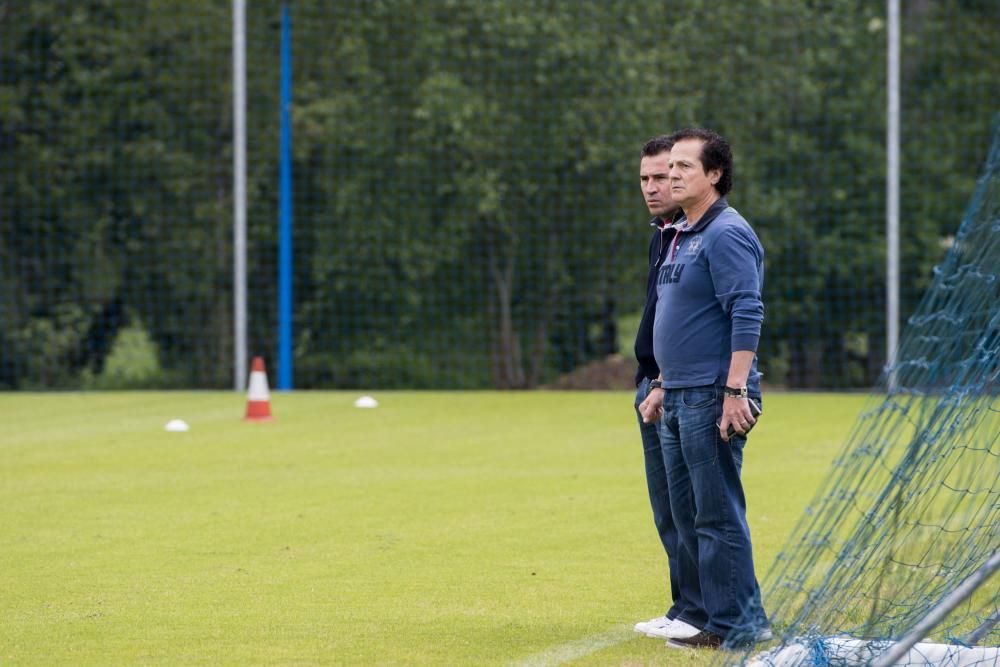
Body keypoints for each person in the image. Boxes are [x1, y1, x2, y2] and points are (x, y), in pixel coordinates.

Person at [638, 127, 770, 650]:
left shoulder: (727, 232)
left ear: (714, 174)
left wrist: (735, 391)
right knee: (692, 516)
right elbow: (686, 322)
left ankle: (737, 624)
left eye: (683, 167)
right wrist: (662, 384)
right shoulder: (683, 233)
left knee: (716, 515)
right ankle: (711, 617)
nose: (672, 176)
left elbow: (746, 310)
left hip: (712, 397)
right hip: (678, 394)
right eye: (669, 168)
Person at [631, 135, 704, 642]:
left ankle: (702, 612)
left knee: (696, 510)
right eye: (646, 178)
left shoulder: (708, 237)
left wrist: (663, 378)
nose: (655, 187)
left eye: (664, 176)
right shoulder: (662, 235)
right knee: (668, 510)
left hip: (682, 387)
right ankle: (685, 607)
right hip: (653, 385)